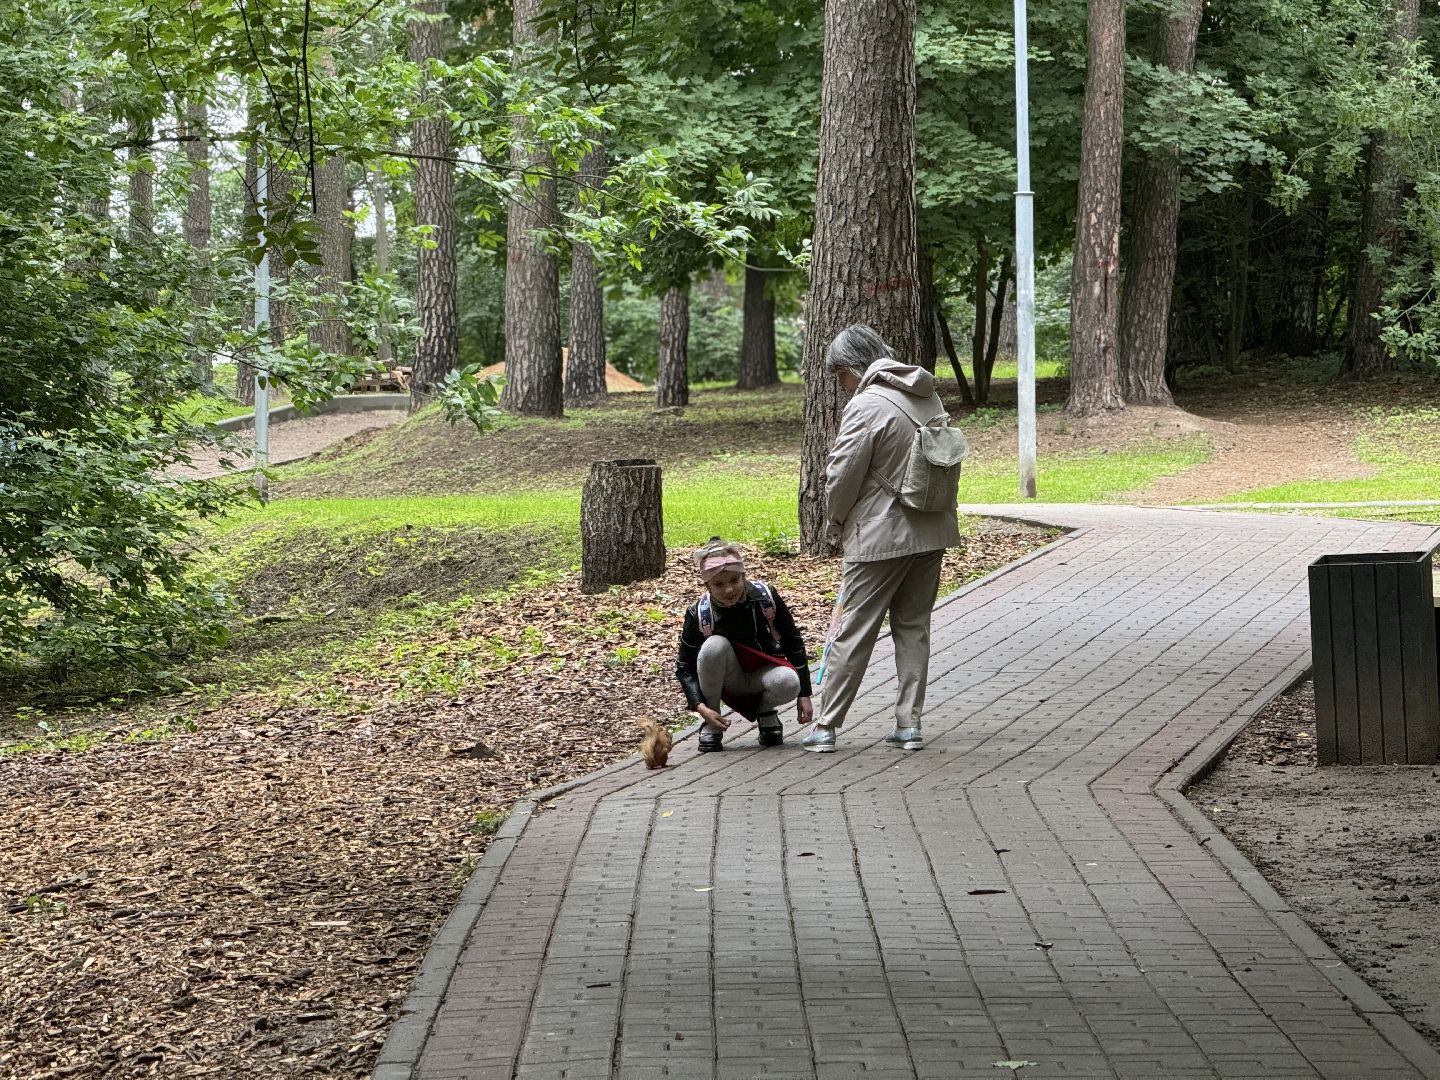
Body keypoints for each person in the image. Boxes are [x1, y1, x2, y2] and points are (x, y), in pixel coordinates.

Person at [801, 324, 963, 754]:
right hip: (932, 528)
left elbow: (842, 475)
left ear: (855, 367)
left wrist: (835, 522)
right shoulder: (927, 395)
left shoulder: (866, 404)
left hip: (879, 535)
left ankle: (826, 727)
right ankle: (909, 725)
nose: (840, 385)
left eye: (840, 375)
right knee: (913, 628)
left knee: (854, 630)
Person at [675, 538, 814, 752]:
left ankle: (765, 711)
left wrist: (804, 693)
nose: (729, 589)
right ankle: (713, 722)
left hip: (762, 672)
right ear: (707, 585)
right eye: (719, 584)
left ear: (743, 575)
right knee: (713, 646)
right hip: (725, 680)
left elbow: (792, 641)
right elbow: (685, 666)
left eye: (734, 580)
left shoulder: (766, 599)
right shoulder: (699, 614)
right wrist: (701, 708)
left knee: (789, 681)